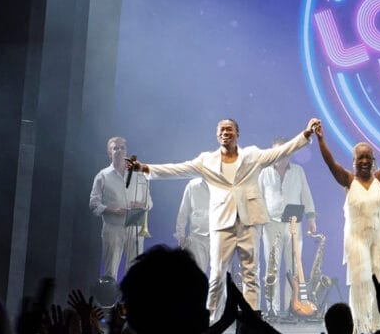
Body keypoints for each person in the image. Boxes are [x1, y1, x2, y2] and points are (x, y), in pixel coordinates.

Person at [126, 117, 319, 319]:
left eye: (229, 129)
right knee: (217, 275)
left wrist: (305, 134)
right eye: (222, 130)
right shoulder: (206, 160)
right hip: (221, 223)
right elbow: (178, 169)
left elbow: (281, 151)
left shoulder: (252, 155)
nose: (225, 133)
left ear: (237, 134)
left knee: (250, 276)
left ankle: (250, 326)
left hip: (249, 222)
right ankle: (210, 323)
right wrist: (145, 168)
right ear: (217, 135)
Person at [315, 122, 380, 334]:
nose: (364, 161)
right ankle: (359, 323)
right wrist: (320, 140)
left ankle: (376, 323)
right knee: (360, 281)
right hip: (356, 241)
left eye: (368, 158)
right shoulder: (348, 179)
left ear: (374, 161)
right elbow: (330, 162)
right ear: (353, 161)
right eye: (360, 158)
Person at [258, 136, 318, 316]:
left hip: (294, 225)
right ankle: (272, 308)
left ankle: (292, 307)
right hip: (271, 225)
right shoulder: (264, 172)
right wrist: (260, 222)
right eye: (278, 151)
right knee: (272, 268)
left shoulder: (298, 171)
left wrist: (311, 218)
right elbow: (259, 197)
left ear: (290, 152)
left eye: (285, 150)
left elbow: (306, 194)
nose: (282, 154)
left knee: (293, 267)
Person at [89, 136, 151, 280]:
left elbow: (149, 201)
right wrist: (112, 210)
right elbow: (93, 203)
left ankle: (132, 301)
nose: (119, 150)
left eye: (122, 148)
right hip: (113, 228)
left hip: (135, 227)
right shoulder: (102, 176)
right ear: (109, 153)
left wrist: (143, 205)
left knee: (135, 271)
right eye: (115, 148)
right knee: (110, 271)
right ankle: (108, 302)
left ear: (126, 151)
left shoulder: (138, 174)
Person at [173, 177, 210, 274]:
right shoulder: (192, 185)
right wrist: (181, 236)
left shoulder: (224, 185)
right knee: (198, 273)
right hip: (197, 237)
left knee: (221, 276)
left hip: (219, 236)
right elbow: (183, 212)